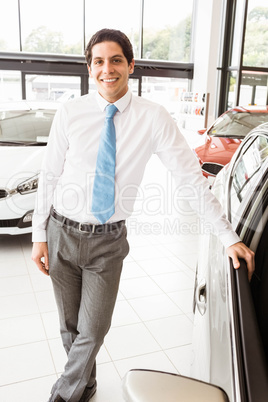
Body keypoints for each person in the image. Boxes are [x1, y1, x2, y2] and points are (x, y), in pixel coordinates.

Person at [31, 28, 255, 402]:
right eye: (99, 61)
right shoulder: (70, 111)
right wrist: (39, 234)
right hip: (61, 232)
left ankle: (62, 395)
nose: (108, 69)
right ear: (90, 69)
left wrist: (228, 236)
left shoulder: (153, 117)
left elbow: (190, 180)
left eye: (116, 60)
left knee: (93, 329)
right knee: (69, 327)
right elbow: (50, 174)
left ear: (130, 65)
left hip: (107, 241)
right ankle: (85, 386)